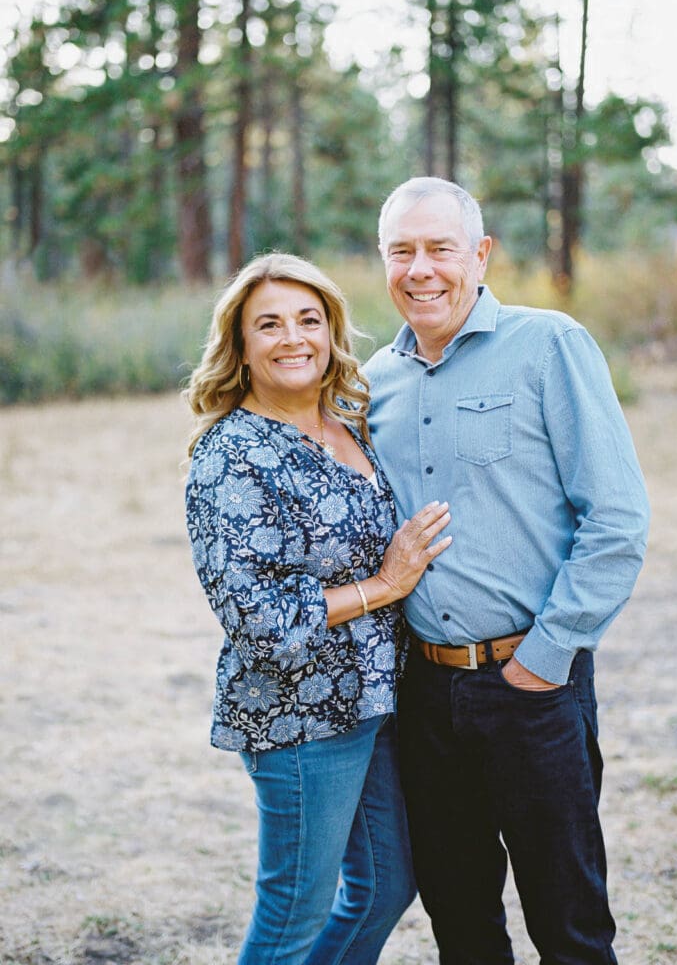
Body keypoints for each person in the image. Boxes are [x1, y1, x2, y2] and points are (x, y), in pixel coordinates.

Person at [365, 177, 650, 965]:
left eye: (439, 249)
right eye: (401, 251)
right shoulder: (371, 384)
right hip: (422, 693)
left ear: (480, 254)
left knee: (568, 926)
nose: (420, 269)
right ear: (382, 262)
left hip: (530, 684)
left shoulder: (548, 344)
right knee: (460, 923)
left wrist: (544, 658)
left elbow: (618, 518)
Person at [183, 252, 452, 965]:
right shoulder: (232, 456)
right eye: (267, 324)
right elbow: (256, 618)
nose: (291, 337)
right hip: (299, 716)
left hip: (374, 699)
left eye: (308, 319)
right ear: (239, 346)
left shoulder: (346, 424)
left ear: (332, 333)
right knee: (292, 913)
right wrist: (384, 587)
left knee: (386, 884)